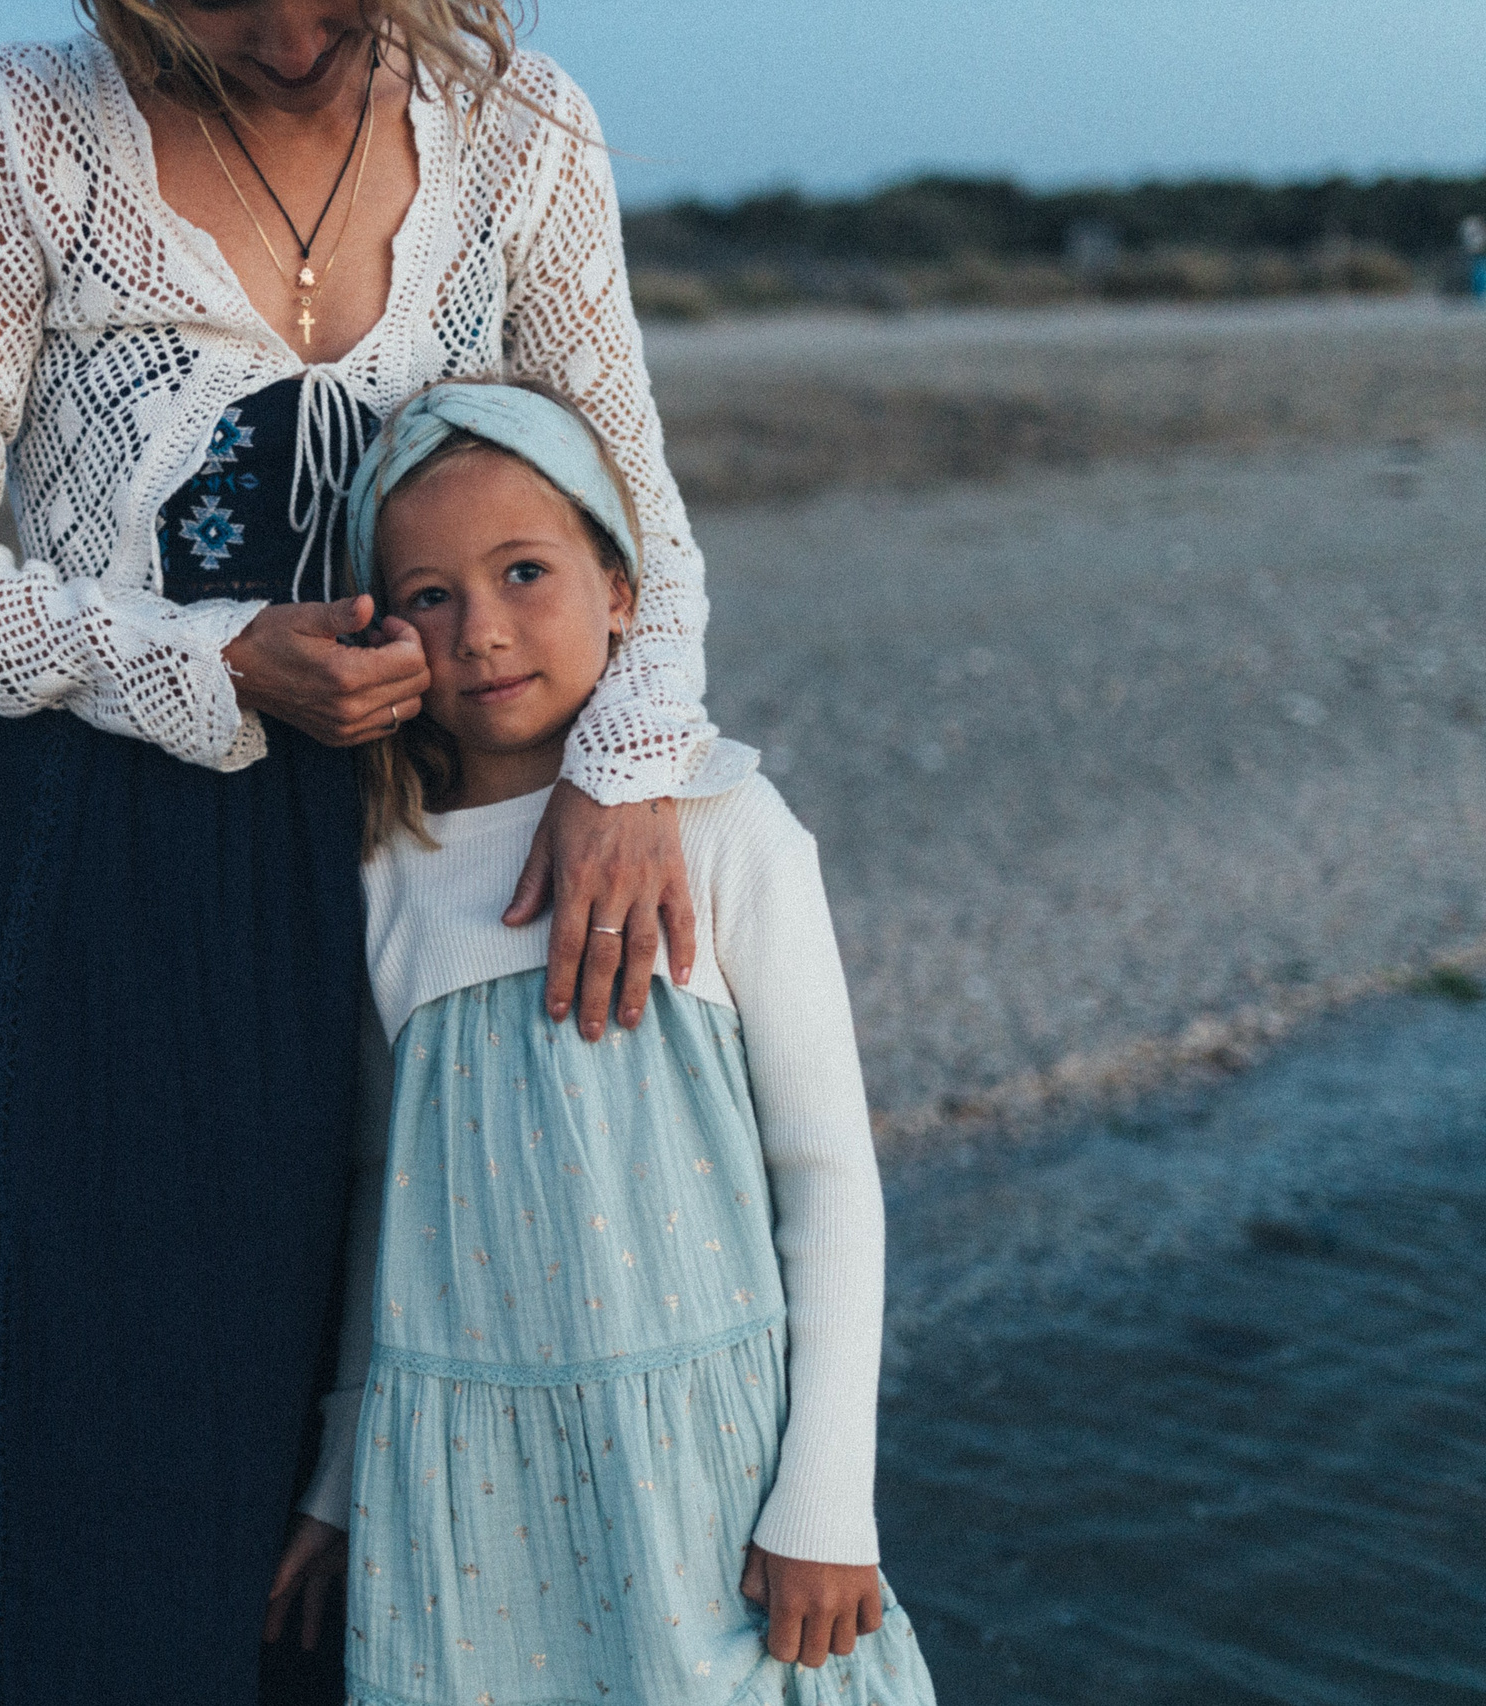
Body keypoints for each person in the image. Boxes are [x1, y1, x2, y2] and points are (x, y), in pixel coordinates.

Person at [0, 5, 746, 1699]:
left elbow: (645, 515)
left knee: (434, 1495)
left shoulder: (527, 129)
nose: (286, 35)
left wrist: (626, 768)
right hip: (121, 897)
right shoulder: (23, 124)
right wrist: (217, 656)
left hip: (447, 866)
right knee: (131, 1507)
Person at [263, 381, 936, 1704]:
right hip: (461, 1494)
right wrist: (344, 1476)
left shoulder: (727, 827)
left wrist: (828, 1502)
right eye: (431, 595)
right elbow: (376, 1198)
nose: (485, 630)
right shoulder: (386, 871)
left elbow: (829, 1173)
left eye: (526, 571)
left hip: (706, 1471)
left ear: (625, 590)